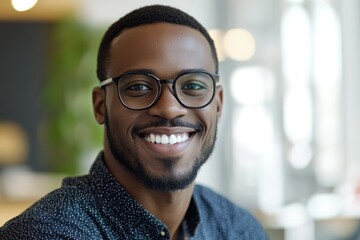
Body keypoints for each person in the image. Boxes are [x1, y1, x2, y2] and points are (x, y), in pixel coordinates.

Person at [0, 5, 268, 240]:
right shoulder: (47, 232)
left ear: (218, 104)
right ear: (100, 105)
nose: (169, 108)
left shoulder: (238, 228)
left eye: (193, 85)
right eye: (139, 87)